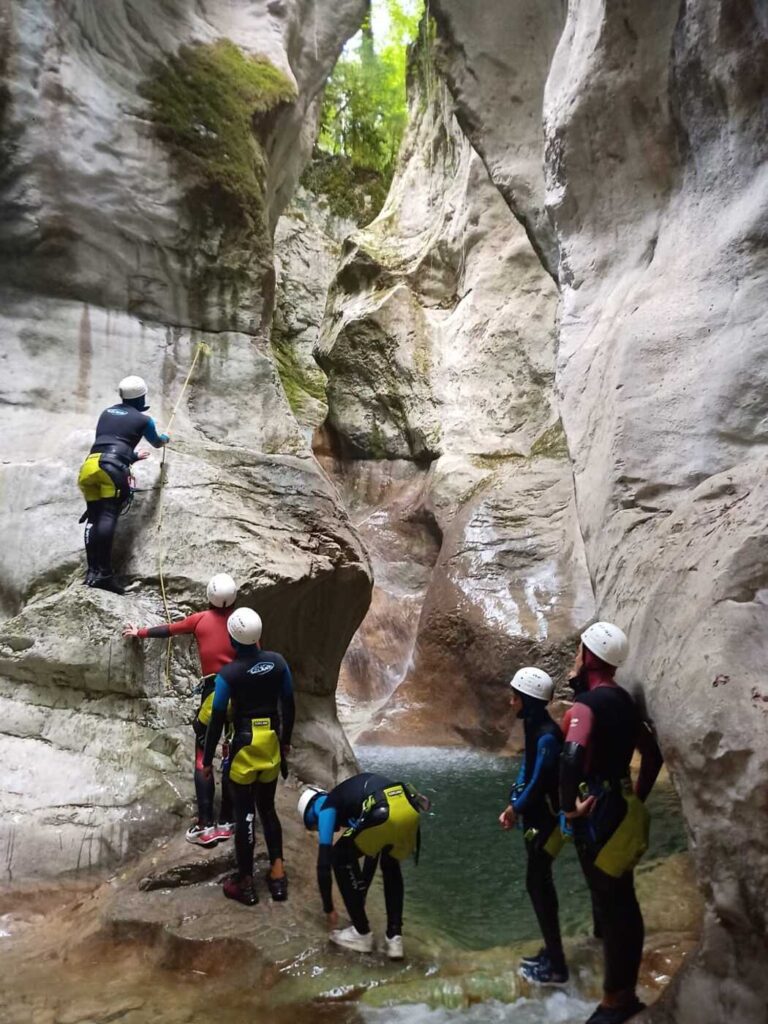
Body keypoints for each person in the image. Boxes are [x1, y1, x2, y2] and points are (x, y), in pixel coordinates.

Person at [560, 622, 664, 1024]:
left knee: (612, 902)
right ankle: (622, 994)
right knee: (622, 900)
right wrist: (634, 796)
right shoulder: (624, 701)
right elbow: (652, 754)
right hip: (620, 804)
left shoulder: (587, 706)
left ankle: (615, 1004)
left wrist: (568, 807)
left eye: (579, 651)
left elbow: (572, 756)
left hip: (598, 810)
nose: (575, 657)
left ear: (589, 656)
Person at [123, 573, 239, 847]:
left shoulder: (200, 619)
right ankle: (227, 821)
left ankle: (206, 826)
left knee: (202, 756)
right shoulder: (242, 622)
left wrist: (139, 632)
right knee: (232, 755)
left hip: (214, 695)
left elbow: (169, 630)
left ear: (209, 595)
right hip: (241, 695)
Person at [201, 607, 294, 906]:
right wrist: (286, 742)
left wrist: (206, 760)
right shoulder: (278, 663)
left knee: (245, 815)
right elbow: (288, 703)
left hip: (244, 746)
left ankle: (245, 883)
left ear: (232, 639)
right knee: (267, 808)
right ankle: (277, 876)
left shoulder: (228, 674)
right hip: (270, 743)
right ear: (258, 635)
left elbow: (217, 717)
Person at [298, 772, 428, 960]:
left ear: (312, 813)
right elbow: (372, 852)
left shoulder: (326, 806)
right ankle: (395, 939)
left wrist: (329, 909)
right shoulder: (353, 803)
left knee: (339, 856)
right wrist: (361, 895)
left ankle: (361, 934)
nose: (318, 829)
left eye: (314, 826)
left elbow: (323, 865)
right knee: (390, 865)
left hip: (384, 808)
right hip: (409, 808)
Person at [499, 667, 567, 986]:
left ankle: (557, 967)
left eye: (516, 697)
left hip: (548, 821)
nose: (511, 701)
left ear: (528, 700)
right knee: (537, 883)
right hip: (536, 818)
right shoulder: (534, 726)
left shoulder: (548, 735)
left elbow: (540, 782)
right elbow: (528, 769)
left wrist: (516, 807)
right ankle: (552, 953)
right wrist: (516, 796)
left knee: (539, 883)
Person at [77, 376, 169, 594]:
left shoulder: (106, 412)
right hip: (112, 470)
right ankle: (104, 575)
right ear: (142, 397)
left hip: (90, 466)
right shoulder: (144, 420)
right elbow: (157, 442)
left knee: (94, 518)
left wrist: (133, 456)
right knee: (107, 516)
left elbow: (110, 442)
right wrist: (166, 437)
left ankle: (92, 573)